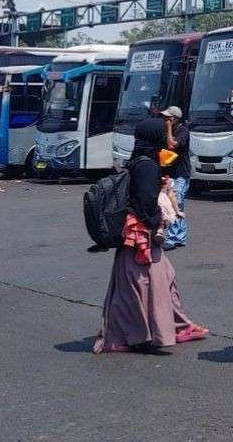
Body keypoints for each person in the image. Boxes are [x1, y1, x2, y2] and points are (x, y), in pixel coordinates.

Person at [94, 117, 208, 354]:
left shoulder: (138, 161)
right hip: (141, 237)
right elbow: (145, 203)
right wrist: (159, 221)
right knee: (145, 286)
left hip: (134, 236)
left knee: (156, 280)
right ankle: (139, 335)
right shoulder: (147, 166)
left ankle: (175, 326)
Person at [160, 106, 191, 249]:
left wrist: (168, 129)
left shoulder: (182, 130)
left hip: (180, 173)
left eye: (168, 118)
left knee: (175, 204)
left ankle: (172, 238)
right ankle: (181, 237)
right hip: (169, 172)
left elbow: (172, 145)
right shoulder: (167, 130)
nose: (166, 120)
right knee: (178, 204)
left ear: (175, 118)